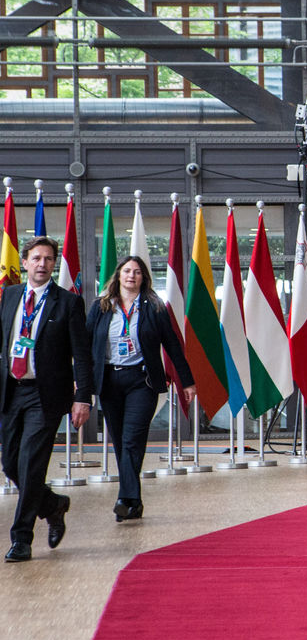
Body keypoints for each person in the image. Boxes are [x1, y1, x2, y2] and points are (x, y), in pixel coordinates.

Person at [2, 236, 93, 563]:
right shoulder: (9, 296)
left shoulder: (68, 303)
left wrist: (82, 397)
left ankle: (21, 538)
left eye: (49, 259)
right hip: (11, 391)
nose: (42, 264)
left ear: (54, 264)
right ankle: (53, 505)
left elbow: (82, 355)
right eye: (37, 258)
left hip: (46, 395)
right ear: (25, 262)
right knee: (10, 463)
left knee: (31, 463)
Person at [87, 255, 197, 522]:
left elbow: (172, 345)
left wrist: (187, 381)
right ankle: (133, 502)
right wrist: (79, 380)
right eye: (127, 271)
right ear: (118, 275)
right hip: (110, 381)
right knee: (120, 442)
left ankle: (124, 498)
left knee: (131, 440)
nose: (131, 276)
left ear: (143, 278)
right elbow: (85, 343)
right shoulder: (101, 306)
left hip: (142, 381)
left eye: (137, 272)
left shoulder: (154, 307)